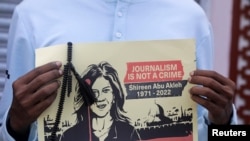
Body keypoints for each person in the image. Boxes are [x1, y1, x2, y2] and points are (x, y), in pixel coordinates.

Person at [0, 0, 237, 141]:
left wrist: (226, 124)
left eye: (107, 90)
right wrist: (16, 123)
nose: (101, 97)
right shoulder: (33, 13)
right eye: (96, 90)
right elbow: (6, 134)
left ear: (116, 94)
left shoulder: (191, 17)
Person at [60, 61, 140, 141]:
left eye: (105, 91)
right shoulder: (68, 135)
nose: (100, 98)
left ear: (114, 95)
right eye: (93, 92)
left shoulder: (129, 132)